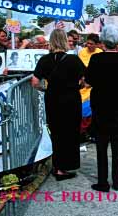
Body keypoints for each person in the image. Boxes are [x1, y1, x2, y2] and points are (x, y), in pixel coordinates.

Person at [85, 26, 118, 192]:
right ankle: (117, 180)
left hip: (100, 105)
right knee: (117, 142)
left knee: (101, 144)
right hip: (117, 105)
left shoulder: (96, 59)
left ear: (103, 41)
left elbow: (89, 81)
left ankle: (103, 182)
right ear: (117, 41)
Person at [31, 29, 85, 181]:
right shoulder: (73, 59)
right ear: (65, 41)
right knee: (71, 132)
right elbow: (85, 80)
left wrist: (46, 89)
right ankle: (67, 166)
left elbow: (35, 82)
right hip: (71, 99)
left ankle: (58, 166)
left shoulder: (44, 60)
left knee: (56, 132)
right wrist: (77, 86)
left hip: (53, 98)